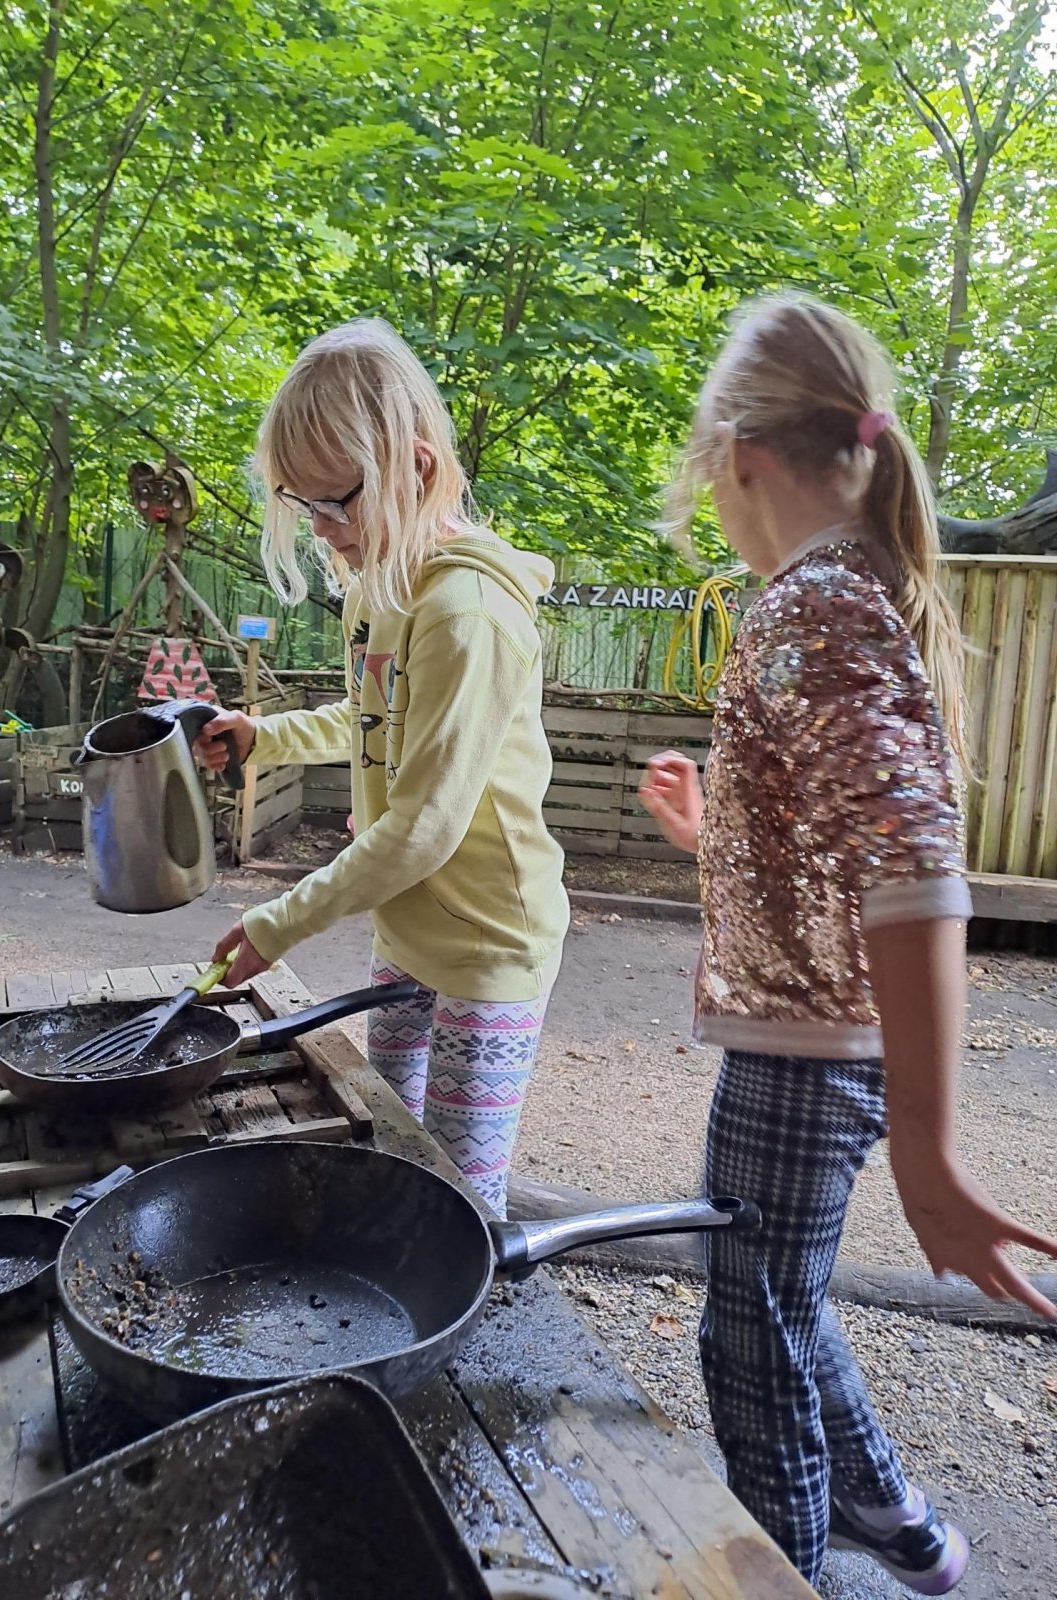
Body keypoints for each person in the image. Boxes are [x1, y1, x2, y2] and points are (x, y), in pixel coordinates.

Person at [638, 292, 1057, 1595]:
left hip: (802, 1057)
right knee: (782, 1294)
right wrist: (712, 834)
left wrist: (931, 1154)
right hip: (814, 1040)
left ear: (737, 457)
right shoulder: (844, 597)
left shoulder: (811, 608)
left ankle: (791, 1567)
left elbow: (915, 870)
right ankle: (901, 1525)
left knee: (750, 1335)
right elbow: (840, 848)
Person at [195, 318, 568, 1215]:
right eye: (306, 507)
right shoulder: (380, 585)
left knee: (457, 1203)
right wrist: (262, 736)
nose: (324, 532)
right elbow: (370, 719)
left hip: (488, 948)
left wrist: (280, 923)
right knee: (394, 1147)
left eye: (337, 503)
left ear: (419, 469)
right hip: (406, 934)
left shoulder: (466, 613)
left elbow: (423, 829)